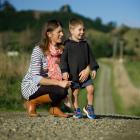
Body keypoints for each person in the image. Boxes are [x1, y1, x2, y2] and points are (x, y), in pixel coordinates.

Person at [21, 20, 71, 118]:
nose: (62, 34)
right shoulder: (38, 50)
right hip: (32, 86)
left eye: (62, 31)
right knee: (61, 90)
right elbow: (36, 79)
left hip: (49, 83)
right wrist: (59, 83)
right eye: (59, 32)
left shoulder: (61, 51)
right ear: (49, 34)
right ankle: (32, 102)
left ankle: (54, 108)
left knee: (67, 80)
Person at [60, 18, 99, 119]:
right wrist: (64, 71)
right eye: (80, 30)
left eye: (83, 30)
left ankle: (89, 107)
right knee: (75, 93)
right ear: (72, 30)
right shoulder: (67, 44)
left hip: (85, 75)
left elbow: (91, 57)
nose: (82, 32)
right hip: (73, 75)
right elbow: (63, 59)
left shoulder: (85, 44)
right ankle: (77, 109)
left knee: (91, 89)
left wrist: (93, 68)